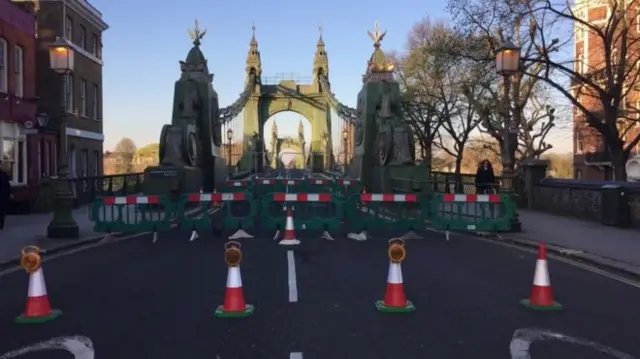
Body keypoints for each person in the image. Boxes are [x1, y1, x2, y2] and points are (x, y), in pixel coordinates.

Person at [0, 161, 11, 231]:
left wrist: (9, 193)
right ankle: (1, 223)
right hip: (3, 195)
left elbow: (7, 186)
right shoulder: (4, 175)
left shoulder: (4, 175)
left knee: (2, 210)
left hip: (3, 195)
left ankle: (1, 223)